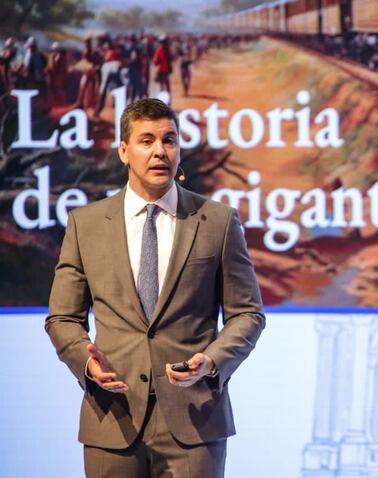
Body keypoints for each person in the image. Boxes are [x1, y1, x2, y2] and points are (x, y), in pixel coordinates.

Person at [45, 98, 266, 477]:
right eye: (146, 141)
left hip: (195, 422)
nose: (160, 151)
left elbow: (247, 314)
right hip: (113, 419)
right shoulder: (86, 224)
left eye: (169, 140)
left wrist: (213, 360)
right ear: (124, 151)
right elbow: (62, 318)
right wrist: (86, 361)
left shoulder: (217, 222)